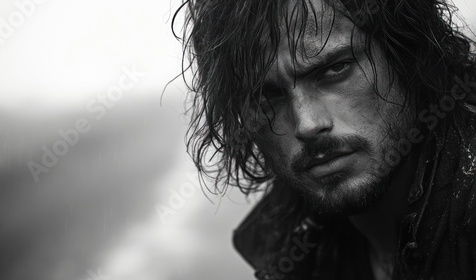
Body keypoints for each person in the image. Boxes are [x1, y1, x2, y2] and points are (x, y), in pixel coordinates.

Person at [173, 0, 476, 279]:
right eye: (268, 96)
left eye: (335, 69)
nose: (307, 124)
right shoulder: (293, 254)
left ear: (406, 55)